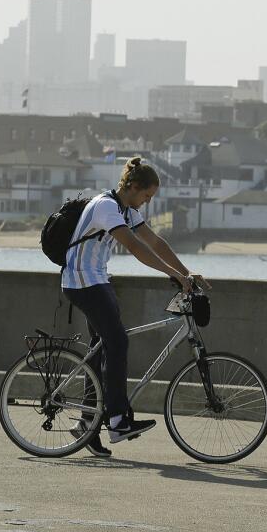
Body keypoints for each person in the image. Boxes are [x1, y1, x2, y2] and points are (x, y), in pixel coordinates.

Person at [62, 156, 209, 457]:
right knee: (117, 341)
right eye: (146, 196)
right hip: (82, 281)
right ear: (132, 187)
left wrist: (186, 271)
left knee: (103, 347)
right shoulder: (106, 206)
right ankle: (117, 421)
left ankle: (87, 424)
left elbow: (155, 243)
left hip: (97, 280)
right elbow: (135, 247)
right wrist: (174, 275)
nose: (147, 202)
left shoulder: (126, 211)